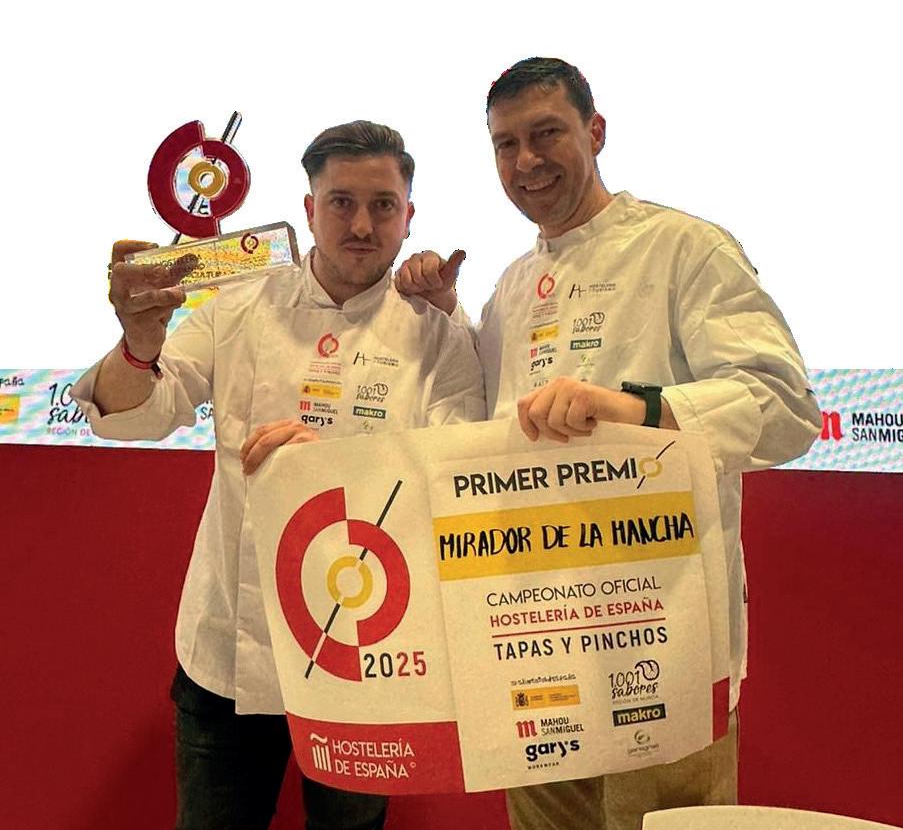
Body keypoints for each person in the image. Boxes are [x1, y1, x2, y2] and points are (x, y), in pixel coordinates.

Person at [395, 57, 821, 830]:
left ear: (595, 131)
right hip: (533, 642)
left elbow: (785, 408)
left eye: (546, 133)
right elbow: (484, 433)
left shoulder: (684, 248)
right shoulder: (513, 286)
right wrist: (446, 314)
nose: (526, 160)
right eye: (505, 144)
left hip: (658, 639)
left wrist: (631, 409)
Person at [73, 120, 486, 830]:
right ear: (308, 209)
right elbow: (141, 413)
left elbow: (455, 477)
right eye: (341, 202)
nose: (362, 224)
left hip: (365, 653)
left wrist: (323, 466)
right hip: (229, 649)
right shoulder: (240, 305)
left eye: (383, 205)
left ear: (409, 214)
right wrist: (139, 343)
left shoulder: (439, 337)